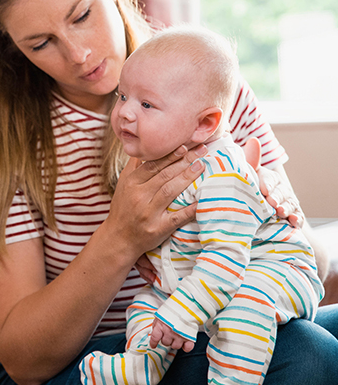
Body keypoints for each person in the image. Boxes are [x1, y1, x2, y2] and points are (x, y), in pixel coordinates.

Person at [0, 0, 338, 385]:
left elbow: (310, 264)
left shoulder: (207, 88)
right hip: (74, 361)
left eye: (81, 15)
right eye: (41, 43)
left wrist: (266, 212)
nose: (77, 54)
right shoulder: (2, 149)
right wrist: (121, 236)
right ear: (15, 46)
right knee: (307, 355)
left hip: (206, 325)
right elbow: (23, 361)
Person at [79, 25, 323, 385]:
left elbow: (225, 259)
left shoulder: (223, 173)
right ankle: (141, 364)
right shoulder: (157, 159)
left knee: (243, 313)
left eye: (146, 104)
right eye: (123, 96)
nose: (126, 113)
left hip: (271, 271)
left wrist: (183, 311)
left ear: (205, 123)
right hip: (203, 282)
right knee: (145, 305)